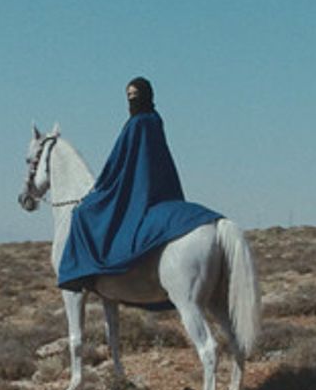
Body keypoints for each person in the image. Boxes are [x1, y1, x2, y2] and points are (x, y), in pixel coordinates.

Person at [57, 77, 221, 303]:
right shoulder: (155, 119)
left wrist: (102, 186)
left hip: (135, 187)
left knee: (82, 214)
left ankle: (86, 275)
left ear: (146, 95)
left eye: (136, 95)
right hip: (158, 185)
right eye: (129, 96)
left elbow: (118, 162)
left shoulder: (136, 124)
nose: (132, 100)